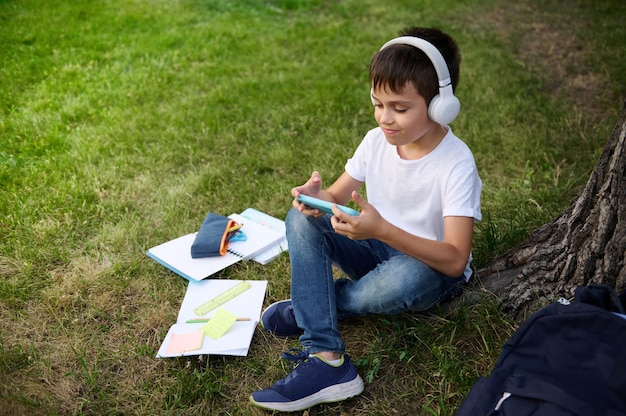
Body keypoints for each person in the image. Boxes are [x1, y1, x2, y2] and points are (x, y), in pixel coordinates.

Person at [249, 26, 482, 412]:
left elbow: (455, 260)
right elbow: (336, 197)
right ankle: (327, 360)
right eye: (378, 104)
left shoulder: (455, 163)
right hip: (375, 247)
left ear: (442, 104)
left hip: (430, 272)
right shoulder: (377, 141)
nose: (385, 118)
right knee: (300, 220)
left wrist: (383, 229)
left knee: (408, 277)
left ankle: (317, 306)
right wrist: (316, 199)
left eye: (400, 108)